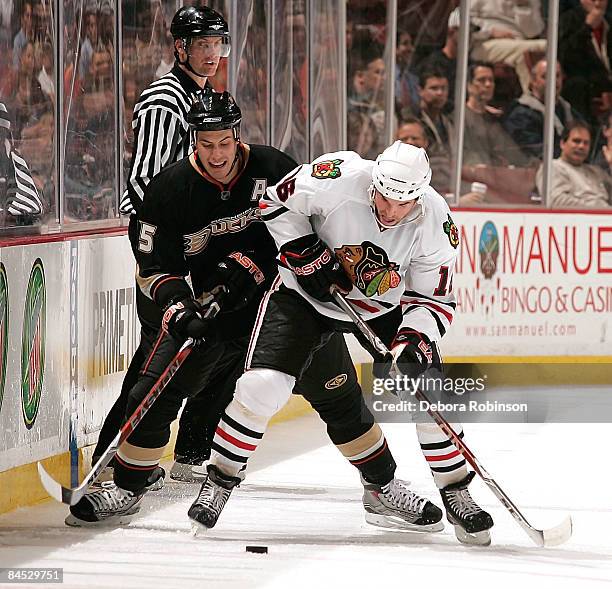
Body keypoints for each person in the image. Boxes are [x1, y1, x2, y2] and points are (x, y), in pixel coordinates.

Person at [66, 92, 448, 537]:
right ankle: (130, 484)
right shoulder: (170, 189)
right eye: (206, 144)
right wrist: (180, 308)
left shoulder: (272, 166)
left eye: (224, 142)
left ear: (236, 135)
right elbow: (154, 268)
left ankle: (381, 488)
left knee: (339, 397)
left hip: (290, 303)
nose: (217, 153)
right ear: (194, 140)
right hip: (215, 310)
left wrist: (305, 263)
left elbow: (306, 220)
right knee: (158, 387)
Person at [191, 141, 494, 546]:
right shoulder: (340, 176)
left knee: (430, 389)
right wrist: (302, 249)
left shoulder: (437, 225)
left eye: (400, 204)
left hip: (381, 308)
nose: (388, 210)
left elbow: (432, 300)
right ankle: (221, 480)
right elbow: (274, 204)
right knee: (261, 387)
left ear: (419, 196)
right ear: (375, 182)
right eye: (383, 197)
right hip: (304, 296)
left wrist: (412, 340)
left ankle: (455, 488)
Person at [92, 5, 231, 480]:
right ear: (180, 47)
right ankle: (113, 458)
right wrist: (174, 245)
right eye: (203, 44)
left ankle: (189, 449)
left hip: (192, 239)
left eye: (218, 44)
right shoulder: (164, 99)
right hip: (162, 240)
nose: (212, 54)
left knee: (219, 341)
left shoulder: (204, 95)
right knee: (159, 351)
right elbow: (146, 182)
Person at [504, 59, 578, 159]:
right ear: (533, 81)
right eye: (545, 76)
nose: (553, 81)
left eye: (557, 76)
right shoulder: (520, 115)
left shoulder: (567, 110)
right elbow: (535, 153)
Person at [469, 0, 547, 93]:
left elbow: (532, 32)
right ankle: (531, 100)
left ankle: (545, 98)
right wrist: (490, 32)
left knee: (547, 47)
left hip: (518, 41)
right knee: (525, 52)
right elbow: (461, 19)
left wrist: (522, 6)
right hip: (485, 42)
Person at [536, 120, 612, 207]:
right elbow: (556, 201)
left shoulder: (596, 172)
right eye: (576, 141)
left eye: (586, 143)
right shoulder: (552, 168)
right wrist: (600, 209)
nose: (581, 146)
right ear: (563, 143)